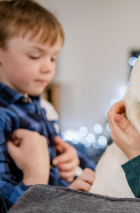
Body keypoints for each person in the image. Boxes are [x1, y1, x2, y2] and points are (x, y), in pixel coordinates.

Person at [0, 0, 95, 209]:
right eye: (35, 56)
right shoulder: (3, 115)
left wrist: (78, 165)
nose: (48, 68)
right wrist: (36, 175)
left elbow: (58, 152)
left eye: (53, 58)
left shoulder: (40, 107)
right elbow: (6, 197)